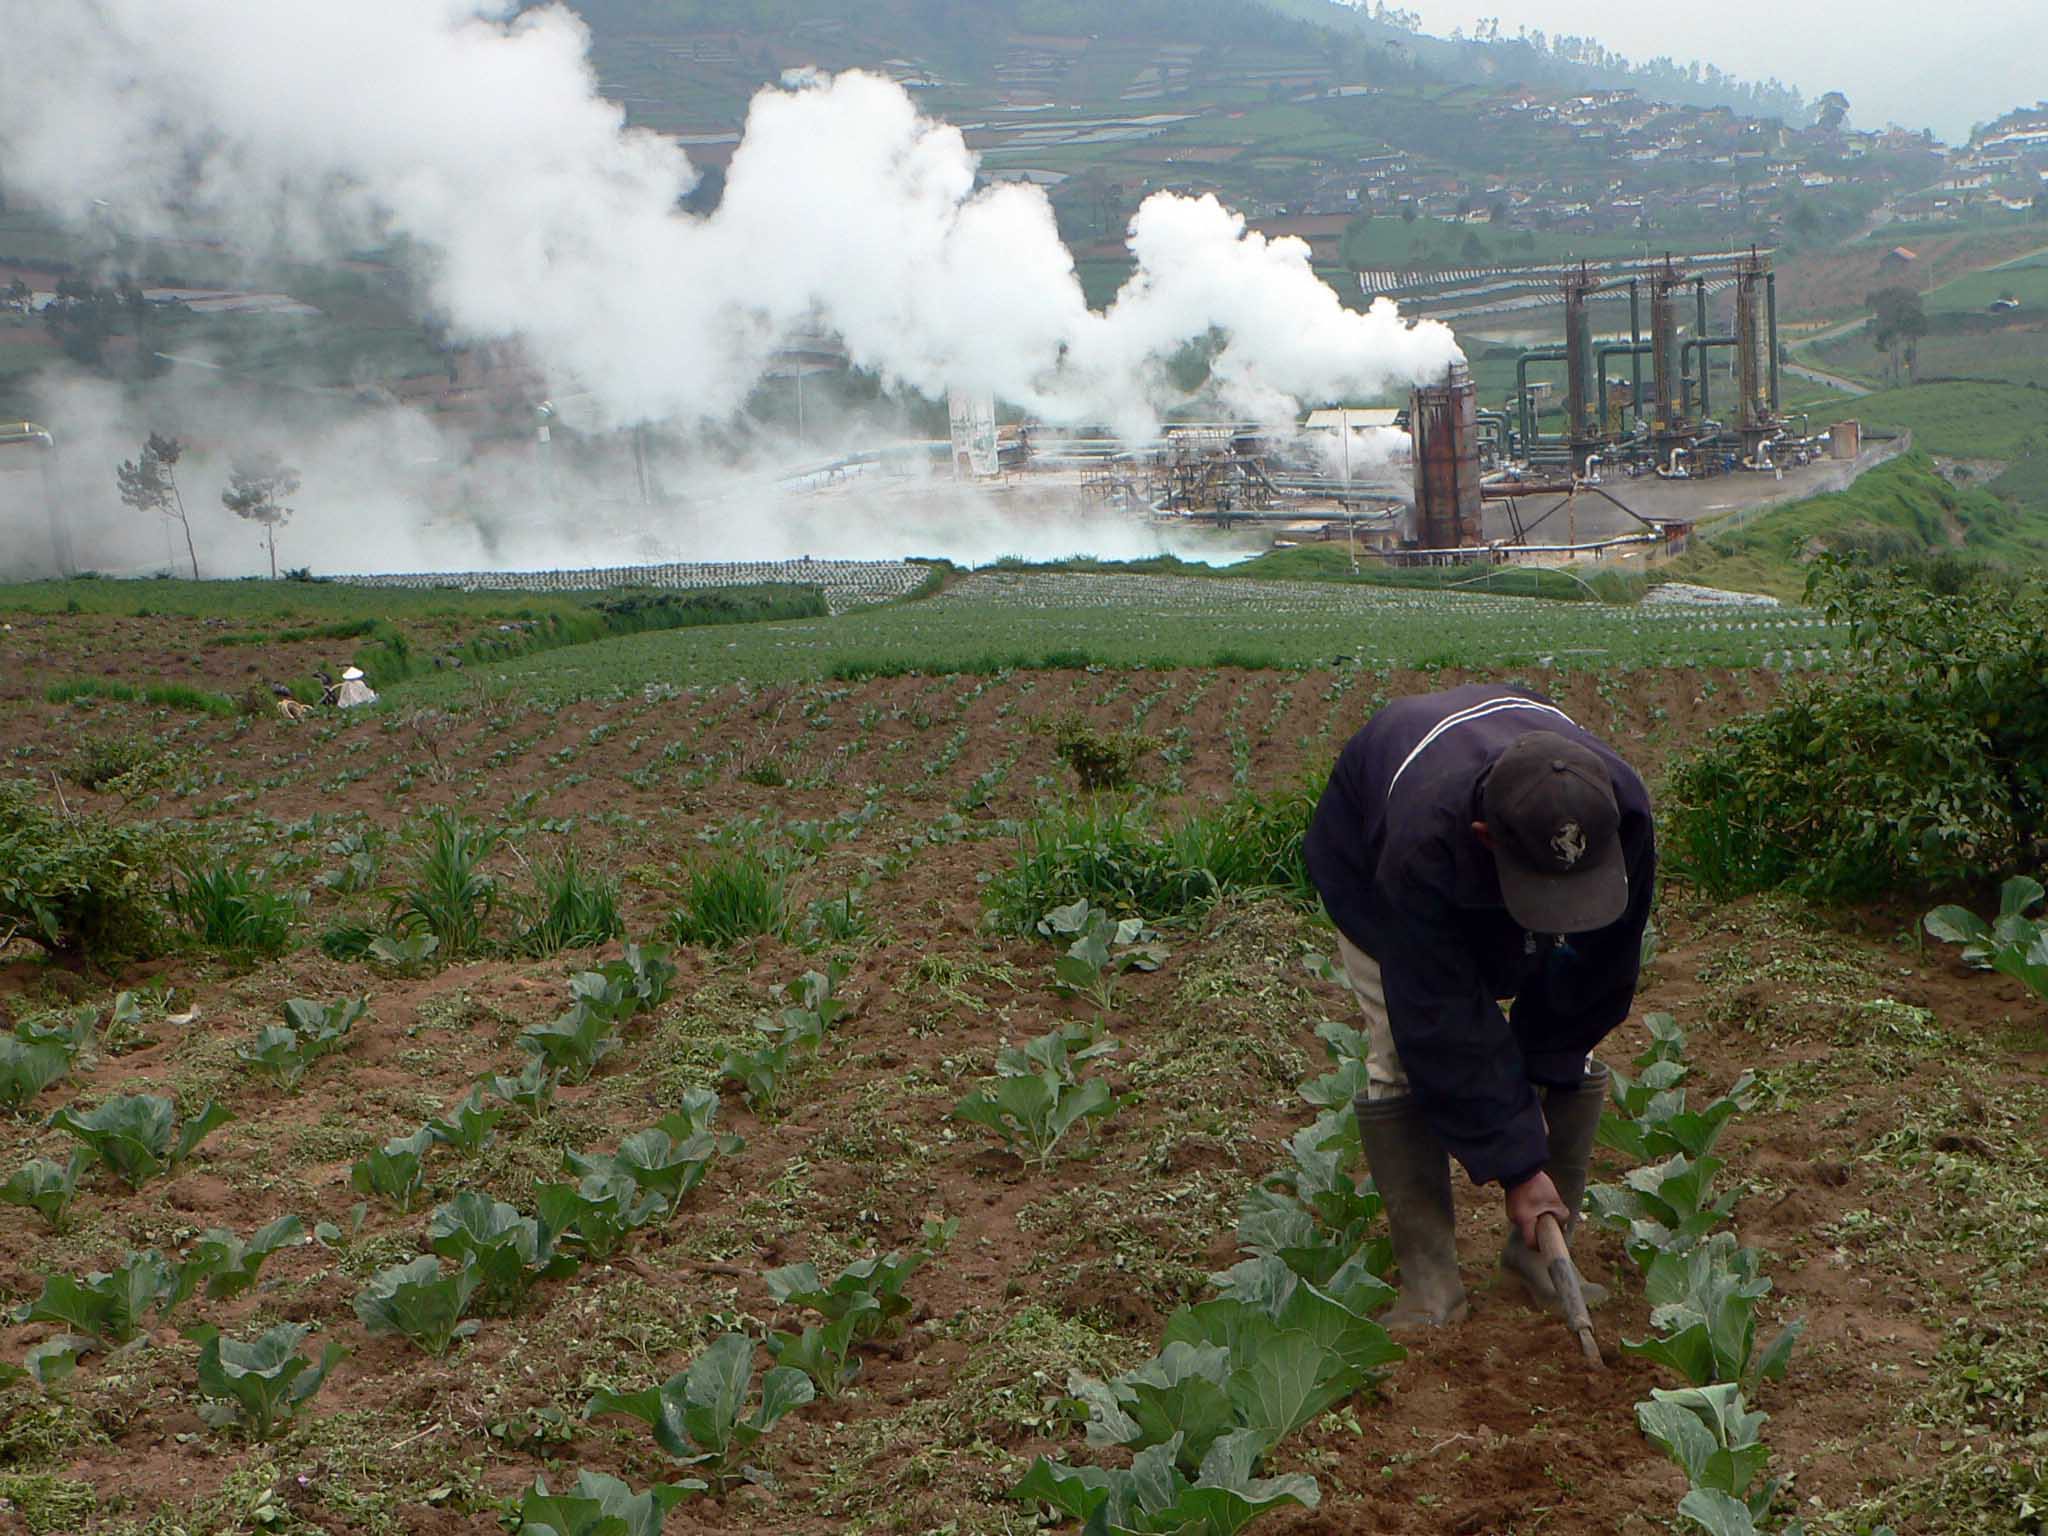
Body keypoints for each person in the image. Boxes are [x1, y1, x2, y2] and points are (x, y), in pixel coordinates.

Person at [1304, 683, 1655, 1329]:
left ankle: (1539, 1265)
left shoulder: (1621, 811)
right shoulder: (1419, 847)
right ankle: (1430, 1287)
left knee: (1568, 1051)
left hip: (1487, 833)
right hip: (1371, 857)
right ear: (1484, 836)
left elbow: (1599, 967)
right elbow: (1440, 1020)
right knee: (1400, 1055)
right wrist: (1518, 1166)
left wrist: (1550, 1059)